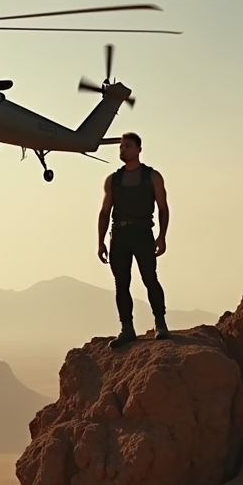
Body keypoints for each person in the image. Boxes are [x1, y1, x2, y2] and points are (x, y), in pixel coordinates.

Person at [97, 132, 170, 348]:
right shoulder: (113, 180)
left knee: (150, 278)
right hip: (119, 235)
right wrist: (100, 241)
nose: (122, 150)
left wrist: (162, 236)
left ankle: (160, 323)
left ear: (139, 149)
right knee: (121, 284)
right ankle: (127, 329)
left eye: (127, 146)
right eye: (121, 147)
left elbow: (163, 208)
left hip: (142, 233)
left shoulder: (152, 176)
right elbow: (104, 211)